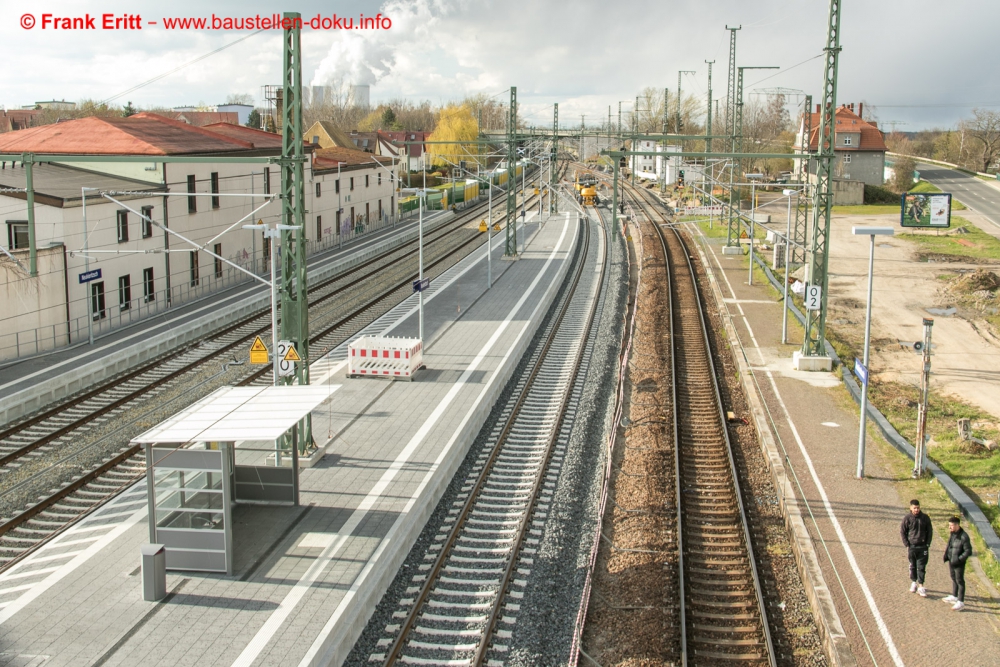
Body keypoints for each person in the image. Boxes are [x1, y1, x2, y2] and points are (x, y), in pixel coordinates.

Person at [900, 499, 932, 596]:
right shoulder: (907, 518)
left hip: (923, 547)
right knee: (913, 565)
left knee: (921, 567)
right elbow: (903, 531)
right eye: (914, 508)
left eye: (918, 508)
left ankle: (921, 585)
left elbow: (930, 531)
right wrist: (907, 544)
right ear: (911, 508)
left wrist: (927, 544)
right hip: (912, 546)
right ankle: (914, 582)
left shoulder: (925, 518)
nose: (916, 510)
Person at [942, 516, 972, 611]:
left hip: (958, 563)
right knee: (953, 578)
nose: (949, 527)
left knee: (960, 581)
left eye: (951, 525)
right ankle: (954, 596)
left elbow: (968, 551)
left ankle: (961, 601)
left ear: (957, 525)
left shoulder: (964, 536)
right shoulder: (953, 534)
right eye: (949, 525)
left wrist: (959, 559)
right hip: (951, 560)